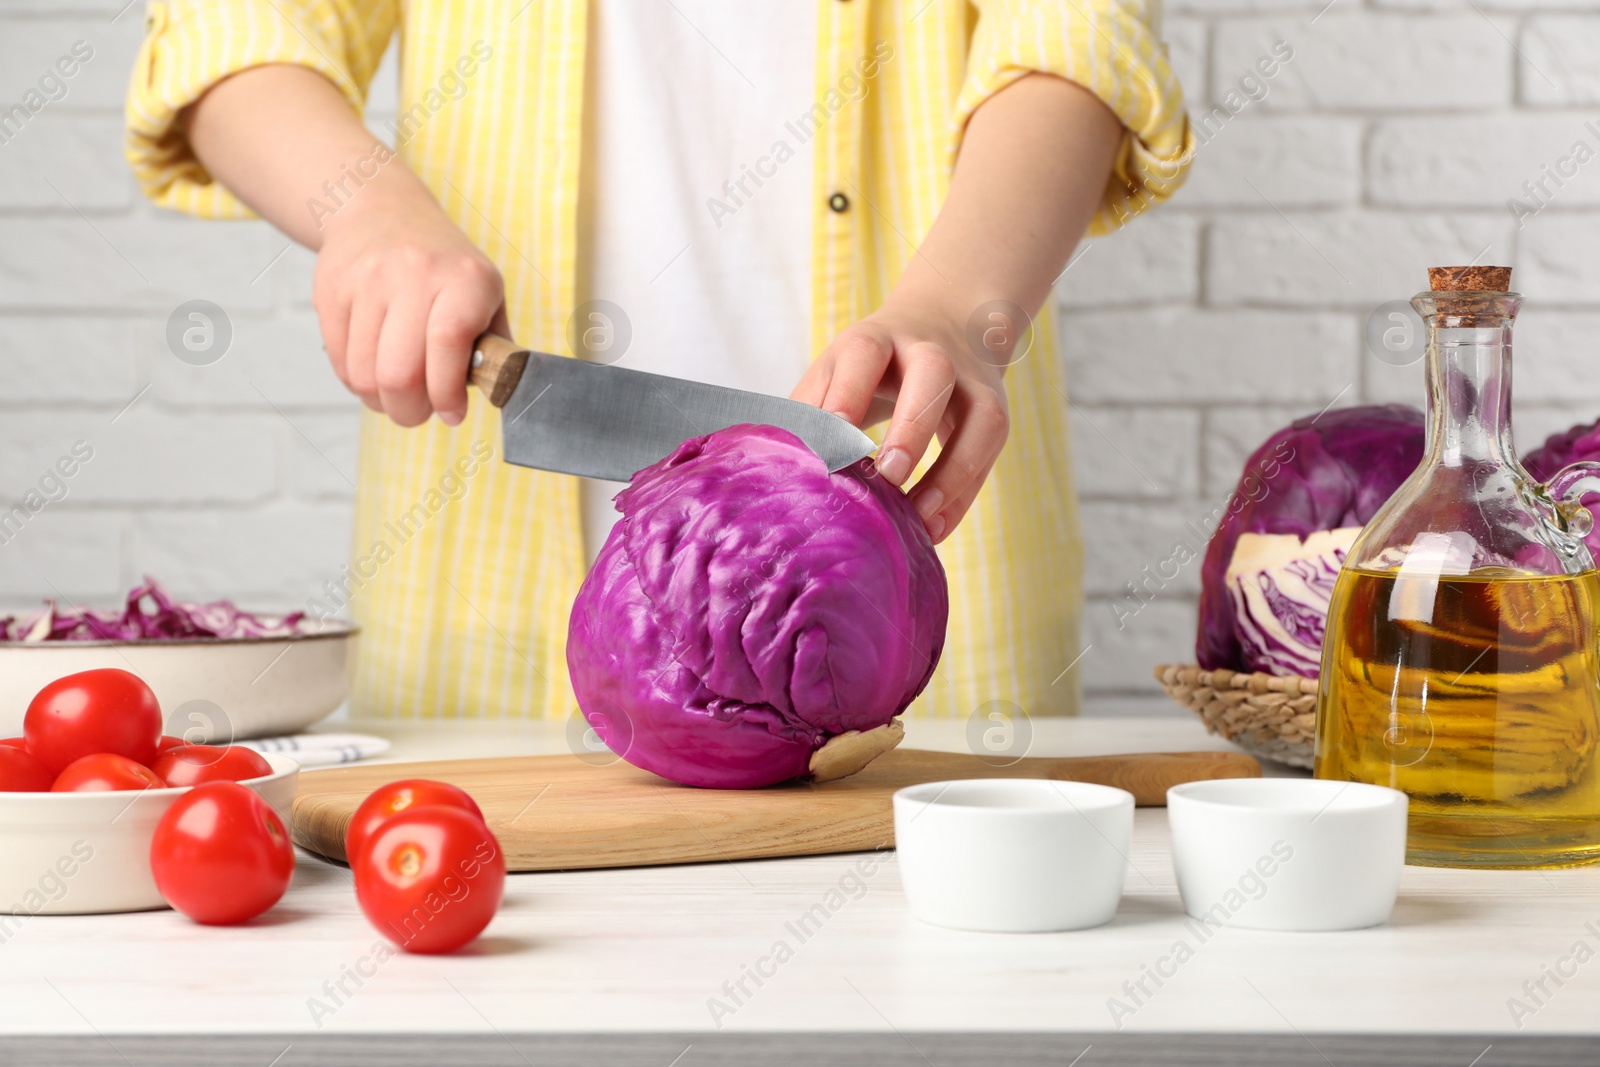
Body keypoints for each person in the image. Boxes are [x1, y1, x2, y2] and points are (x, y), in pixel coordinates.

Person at [126, 0, 1192, 724]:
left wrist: (964, 306)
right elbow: (231, 28)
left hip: (928, 606)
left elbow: (1077, 31)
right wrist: (362, 206)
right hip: (482, 622)